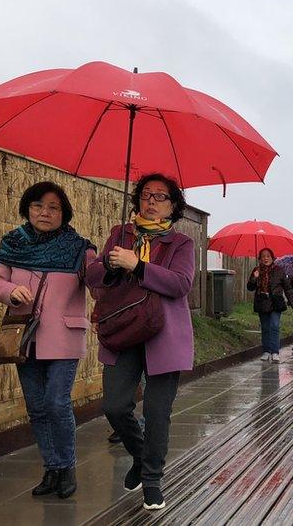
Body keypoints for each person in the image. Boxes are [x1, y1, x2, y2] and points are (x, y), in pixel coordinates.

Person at [86, 173, 195, 511]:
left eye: (161, 196)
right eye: (146, 194)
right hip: (123, 329)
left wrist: (139, 265)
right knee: (115, 406)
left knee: (157, 410)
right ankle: (139, 453)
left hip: (164, 334)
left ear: (173, 206)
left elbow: (180, 284)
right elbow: (91, 277)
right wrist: (109, 261)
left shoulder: (181, 244)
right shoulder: (120, 234)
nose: (151, 200)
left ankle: (152, 478)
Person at [0, 182, 96, 500]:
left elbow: (97, 283)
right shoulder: (13, 244)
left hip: (63, 337)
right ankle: (52, 469)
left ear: (64, 213)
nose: (44, 212)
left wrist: (103, 271)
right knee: (36, 407)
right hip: (25, 338)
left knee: (56, 403)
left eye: (53, 207)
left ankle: (67, 467)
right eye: (37, 205)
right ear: (26, 208)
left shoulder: (80, 249)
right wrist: (9, 291)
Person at [248, 248, 293, 362]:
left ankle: (275, 352)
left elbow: (288, 289)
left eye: (268, 256)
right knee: (265, 328)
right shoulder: (257, 270)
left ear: (272, 258)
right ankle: (266, 351)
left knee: (274, 326)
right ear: (260, 258)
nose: (266, 258)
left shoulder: (279, 270)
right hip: (262, 302)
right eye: (263, 256)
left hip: (275, 302)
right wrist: (254, 277)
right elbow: (250, 287)